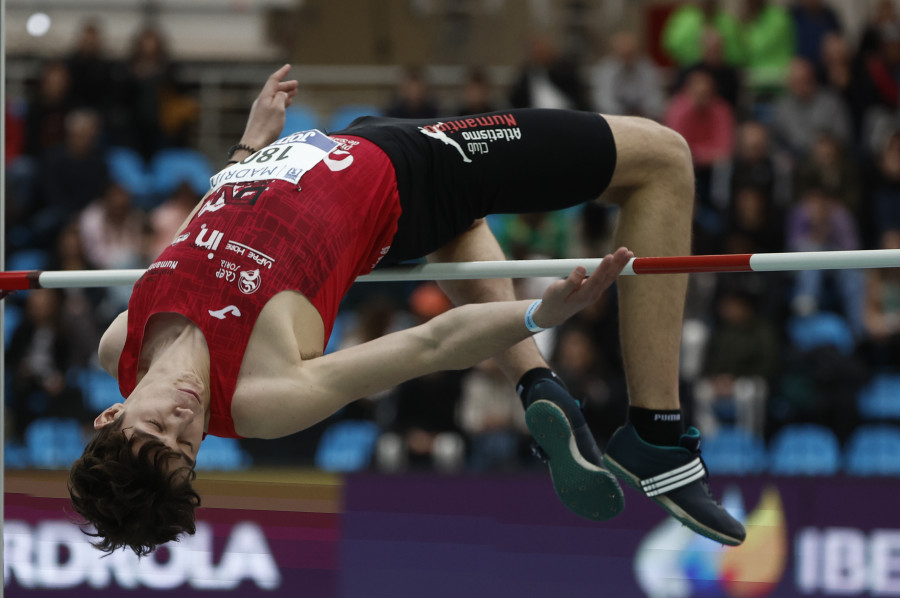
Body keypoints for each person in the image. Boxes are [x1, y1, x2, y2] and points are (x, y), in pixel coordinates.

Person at [68, 65, 745, 556]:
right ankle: (656, 432)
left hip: (338, 147)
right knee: (664, 158)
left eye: (157, 428)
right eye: (188, 450)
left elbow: (197, 232)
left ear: (112, 413)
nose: (186, 421)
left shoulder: (120, 341)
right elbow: (428, 346)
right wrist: (542, 309)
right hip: (415, 167)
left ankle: (537, 384)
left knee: (462, 231)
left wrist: (247, 150)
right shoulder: (259, 396)